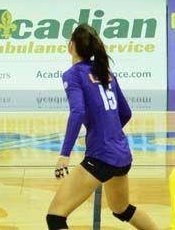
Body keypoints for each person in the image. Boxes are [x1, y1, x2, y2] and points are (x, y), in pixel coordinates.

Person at [46, 24, 159, 229]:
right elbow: (126, 113)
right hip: (122, 155)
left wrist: (64, 154)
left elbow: (78, 112)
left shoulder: (72, 74)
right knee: (122, 209)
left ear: (71, 46)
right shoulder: (105, 72)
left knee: (55, 217)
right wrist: (109, 132)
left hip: (100, 157)